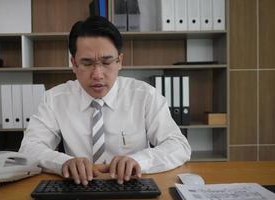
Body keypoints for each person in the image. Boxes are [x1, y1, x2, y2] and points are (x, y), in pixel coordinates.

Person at [19, 16, 191, 186]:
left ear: (120, 61)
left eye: (107, 62)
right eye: (87, 63)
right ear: (73, 64)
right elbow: (29, 149)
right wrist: (63, 163)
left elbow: (178, 145)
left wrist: (139, 161)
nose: (98, 75)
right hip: (79, 188)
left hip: (133, 186)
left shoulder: (145, 96)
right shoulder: (54, 99)